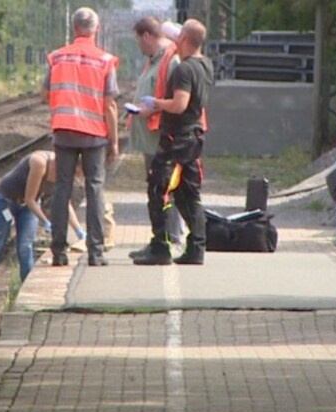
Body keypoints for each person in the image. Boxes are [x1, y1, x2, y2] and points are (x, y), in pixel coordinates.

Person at [132, 19, 214, 266]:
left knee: (158, 189)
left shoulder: (184, 69)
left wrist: (156, 103)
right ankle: (197, 248)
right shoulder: (206, 65)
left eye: (178, 38)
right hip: (193, 138)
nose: (175, 42)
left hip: (176, 139)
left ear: (184, 40)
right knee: (188, 193)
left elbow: (179, 104)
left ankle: (160, 247)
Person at [42, 6, 119, 267]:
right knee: (95, 188)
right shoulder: (104, 60)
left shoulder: (58, 58)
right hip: (94, 135)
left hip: (64, 131)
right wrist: (114, 140)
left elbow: (45, 95)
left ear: (75, 28)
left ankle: (58, 252)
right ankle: (96, 252)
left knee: (62, 188)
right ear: (95, 29)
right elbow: (110, 104)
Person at [0, 151, 85, 315]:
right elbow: (30, 198)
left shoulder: (63, 172)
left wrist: (78, 230)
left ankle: (25, 300)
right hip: (6, 202)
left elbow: (64, 202)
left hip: (28, 208)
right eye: (73, 173)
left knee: (25, 248)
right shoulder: (40, 163)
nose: (71, 176)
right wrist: (45, 221)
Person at [127, 16, 184, 259]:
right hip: (149, 139)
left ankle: (170, 240)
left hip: (160, 139)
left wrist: (151, 109)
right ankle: (160, 239)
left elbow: (176, 100)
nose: (138, 46)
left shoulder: (170, 61)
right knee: (157, 191)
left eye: (138, 40)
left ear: (146, 36)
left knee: (164, 190)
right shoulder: (152, 61)